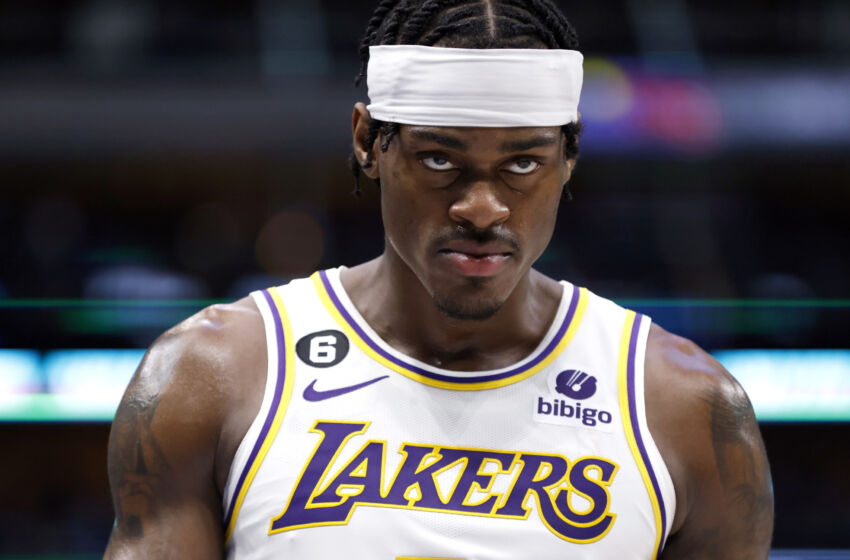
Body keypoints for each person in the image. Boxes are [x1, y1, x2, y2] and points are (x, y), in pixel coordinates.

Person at [104, 1, 774, 558]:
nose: (481, 208)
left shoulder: (686, 408)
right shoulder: (212, 374)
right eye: (438, 160)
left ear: (570, 153)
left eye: (522, 164)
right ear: (367, 142)